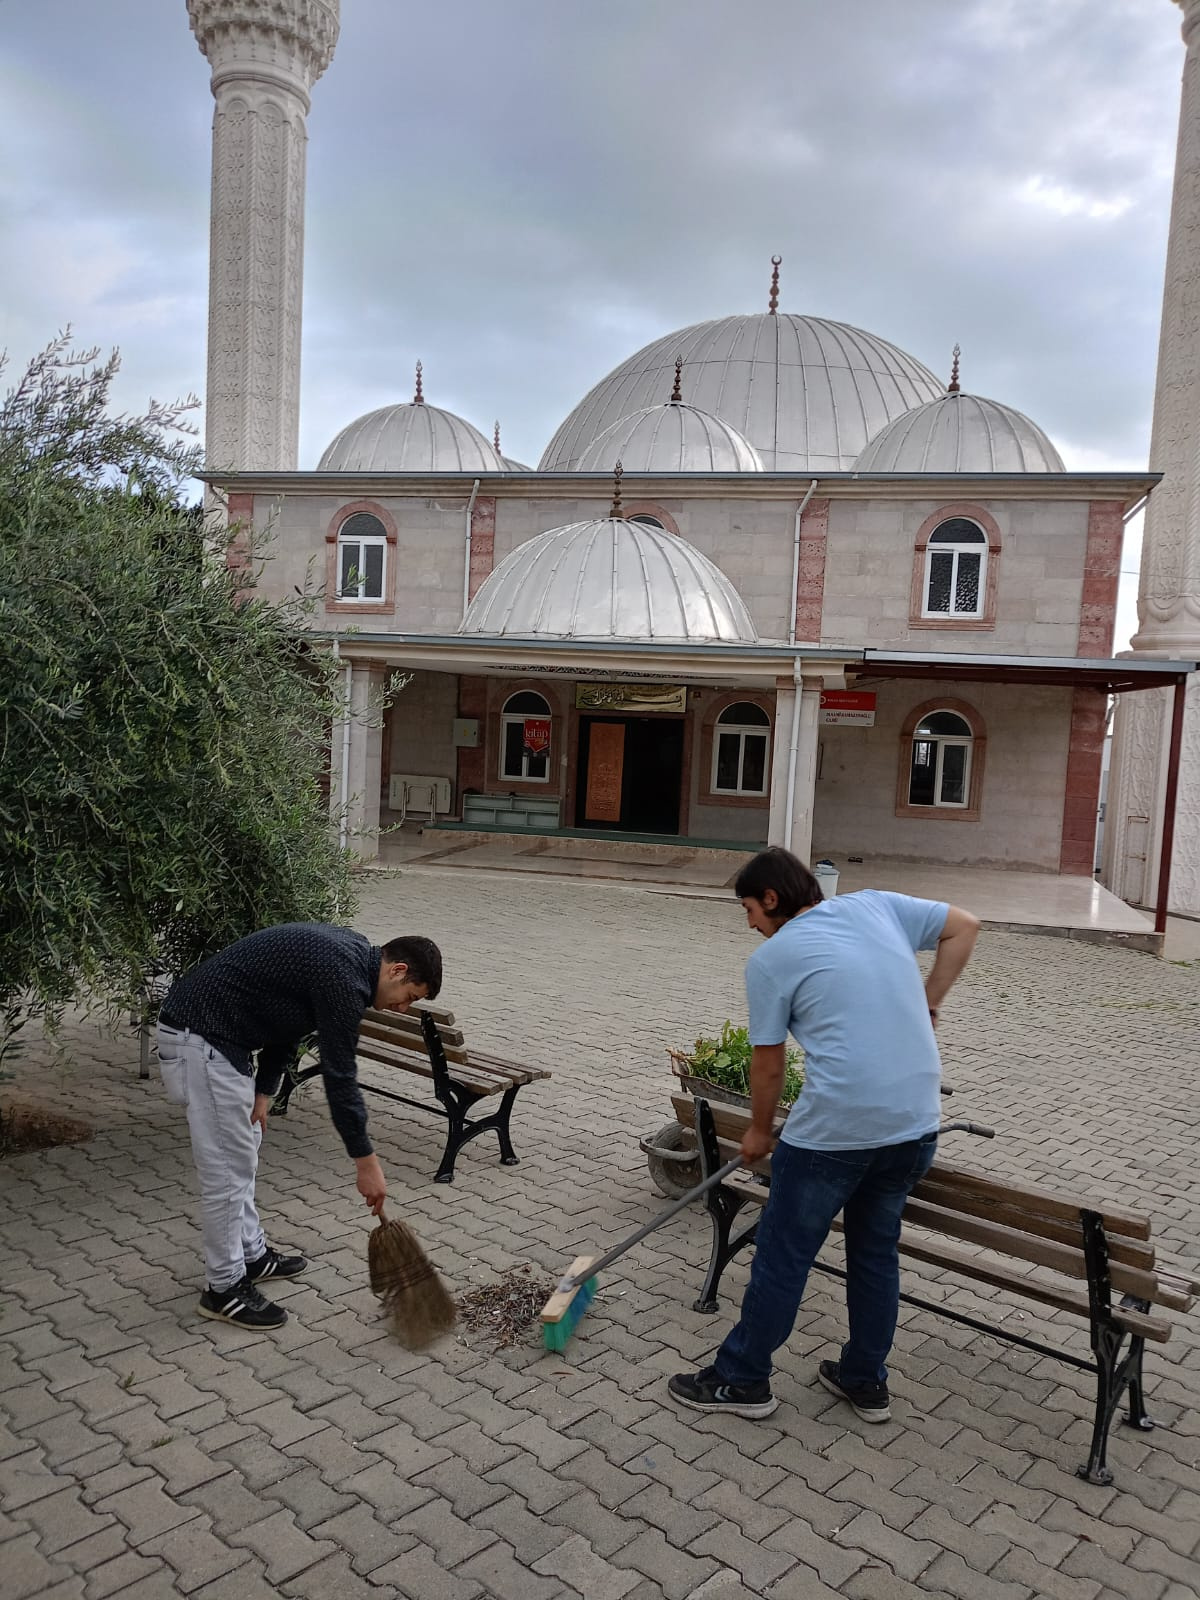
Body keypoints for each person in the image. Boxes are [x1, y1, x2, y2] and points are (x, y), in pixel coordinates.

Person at [668, 848, 979, 1423]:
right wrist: (929, 1003)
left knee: (783, 1256)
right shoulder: (878, 906)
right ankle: (864, 1381)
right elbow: (965, 926)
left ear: (770, 897)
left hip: (834, 1136)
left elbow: (768, 1066)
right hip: (913, 1126)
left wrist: (759, 1130)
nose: (750, 925)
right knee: (875, 1254)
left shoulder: (773, 960)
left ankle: (742, 1381)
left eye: (748, 910)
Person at [155, 923, 443, 1331]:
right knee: (226, 1170)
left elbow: (290, 1020)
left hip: (221, 1040)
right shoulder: (345, 978)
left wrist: (264, 1090)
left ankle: (251, 1255)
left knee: (243, 1151)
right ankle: (223, 1288)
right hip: (200, 1037)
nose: (402, 1009)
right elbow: (340, 1077)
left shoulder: (350, 960)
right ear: (397, 970)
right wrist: (366, 1162)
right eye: (408, 999)